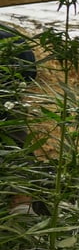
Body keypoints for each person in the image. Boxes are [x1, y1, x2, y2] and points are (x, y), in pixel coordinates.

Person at [1, 25, 39, 215]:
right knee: (16, 145)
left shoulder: (11, 40)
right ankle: (22, 202)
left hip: (9, 99)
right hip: (10, 99)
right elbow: (30, 76)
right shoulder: (14, 39)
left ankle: (22, 203)